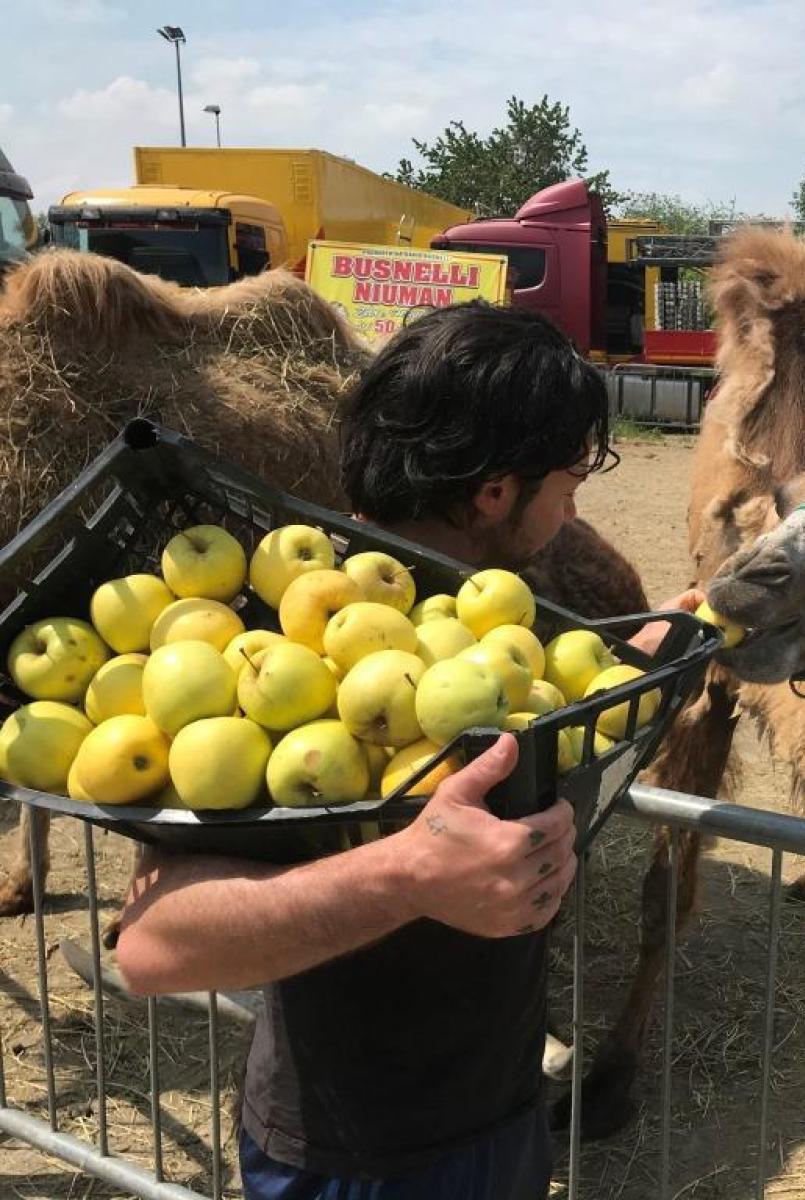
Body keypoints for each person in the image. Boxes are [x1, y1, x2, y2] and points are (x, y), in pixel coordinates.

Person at [116, 302, 697, 1199]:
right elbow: (155, 947)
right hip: (357, 1158)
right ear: (494, 494)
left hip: (500, 1111)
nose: (574, 510)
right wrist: (405, 874)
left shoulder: (498, 624)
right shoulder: (282, 642)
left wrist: (664, 655)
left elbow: (578, 711)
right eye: (566, 486)